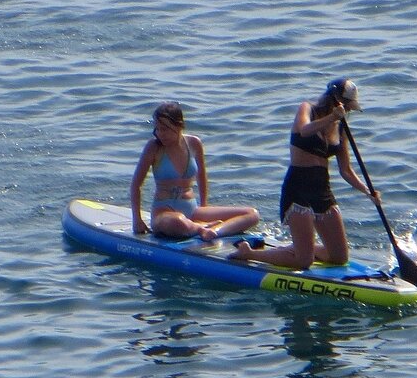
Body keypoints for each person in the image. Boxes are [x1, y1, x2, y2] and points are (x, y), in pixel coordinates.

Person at [230, 78, 379, 268]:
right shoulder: (307, 109)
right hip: (298, 189)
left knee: (339, 257)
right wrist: (332, 117)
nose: (348, 110)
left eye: (350, 107)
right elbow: (304, 130)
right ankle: (248, 254)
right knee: (303, 261)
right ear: (334, 99)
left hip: (322, 190)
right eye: (347, 105)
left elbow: (346, 170)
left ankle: (296, 247)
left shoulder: (341, 128)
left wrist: (368, 192)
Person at [130, 101, 260, 240]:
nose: (160, 134)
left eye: (165, 129)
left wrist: (204, 206)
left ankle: (215, 231)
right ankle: (201, 228)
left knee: (252, 214)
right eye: (157, 129)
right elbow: (136, 185)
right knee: (178, 221)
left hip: (192, 210)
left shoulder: (194, 143)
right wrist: (137, 220)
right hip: (164, 213)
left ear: (179, 125)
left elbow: (202, 177)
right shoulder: (153, 147)